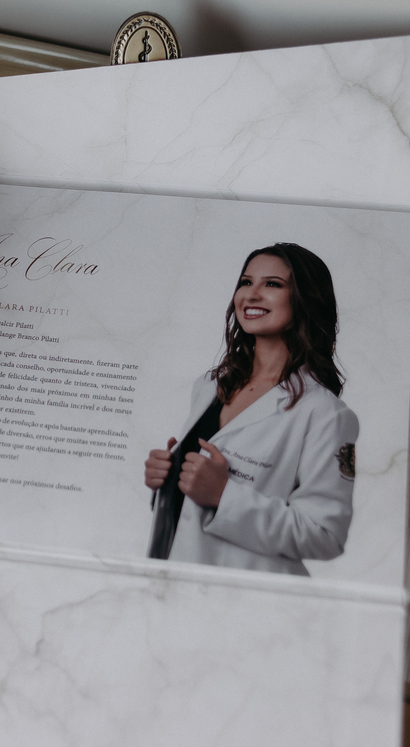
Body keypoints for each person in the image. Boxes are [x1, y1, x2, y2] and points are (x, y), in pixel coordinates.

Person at [143, 243, 359, 575]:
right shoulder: (210, 385)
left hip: (241, 598)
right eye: (246, 282)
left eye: (272, 284)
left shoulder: (324, 414)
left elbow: (325, 534)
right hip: (166, 580)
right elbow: (190, 509)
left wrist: (224, 496)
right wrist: (168, 478)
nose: (252, 294)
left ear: (306, 299)